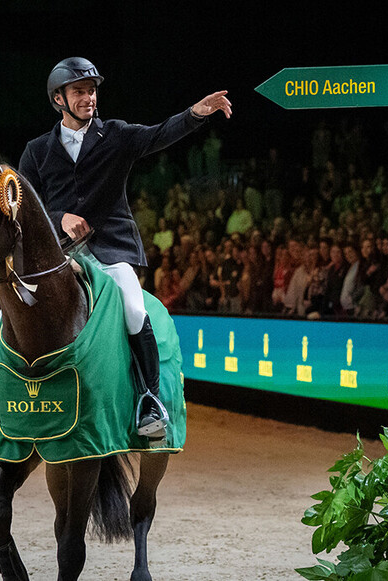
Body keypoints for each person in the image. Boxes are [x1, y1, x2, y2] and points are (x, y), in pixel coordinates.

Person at [18, 57, 232, 439]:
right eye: (79, 91)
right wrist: (60, 217)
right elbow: (25, 208)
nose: (88, 97)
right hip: (59, 254)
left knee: (133, 308)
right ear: (58, 99)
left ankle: (150, 401)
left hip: (110, 248)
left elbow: (159, 134)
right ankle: (4, 404)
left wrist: (196, 114)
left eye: (92, 90)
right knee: (5, 319)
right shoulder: (36, 151)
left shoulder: (115, 134)